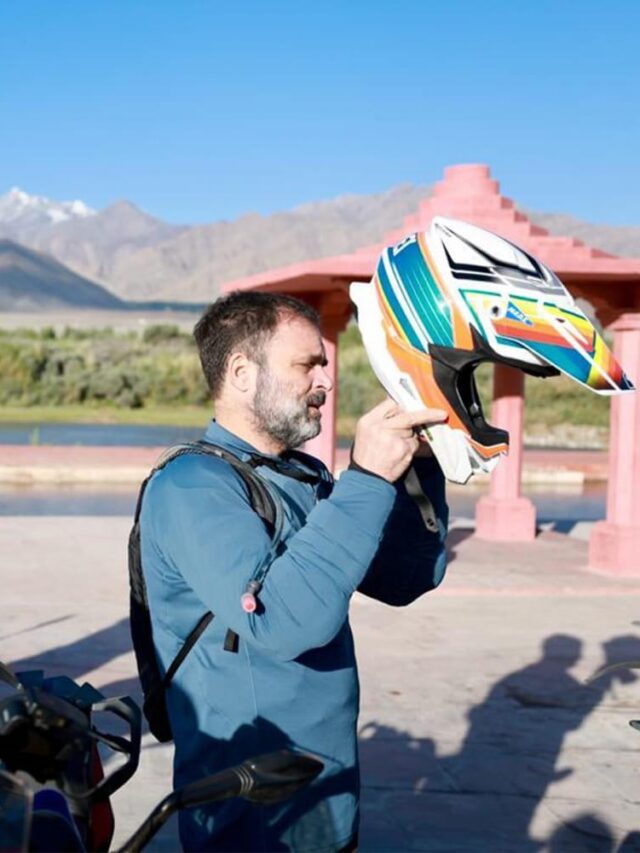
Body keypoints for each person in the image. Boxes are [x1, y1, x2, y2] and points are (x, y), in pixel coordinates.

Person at [140, 290, 449, 852]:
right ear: (240, 372)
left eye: (324, 366)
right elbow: (283, 620)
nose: (325, 383)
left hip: (328, 790)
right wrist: (368, 479)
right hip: (251, 807)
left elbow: (403, 580)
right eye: (307, 364)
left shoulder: (302, 476)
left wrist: (418, 470)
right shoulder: (190, 488)